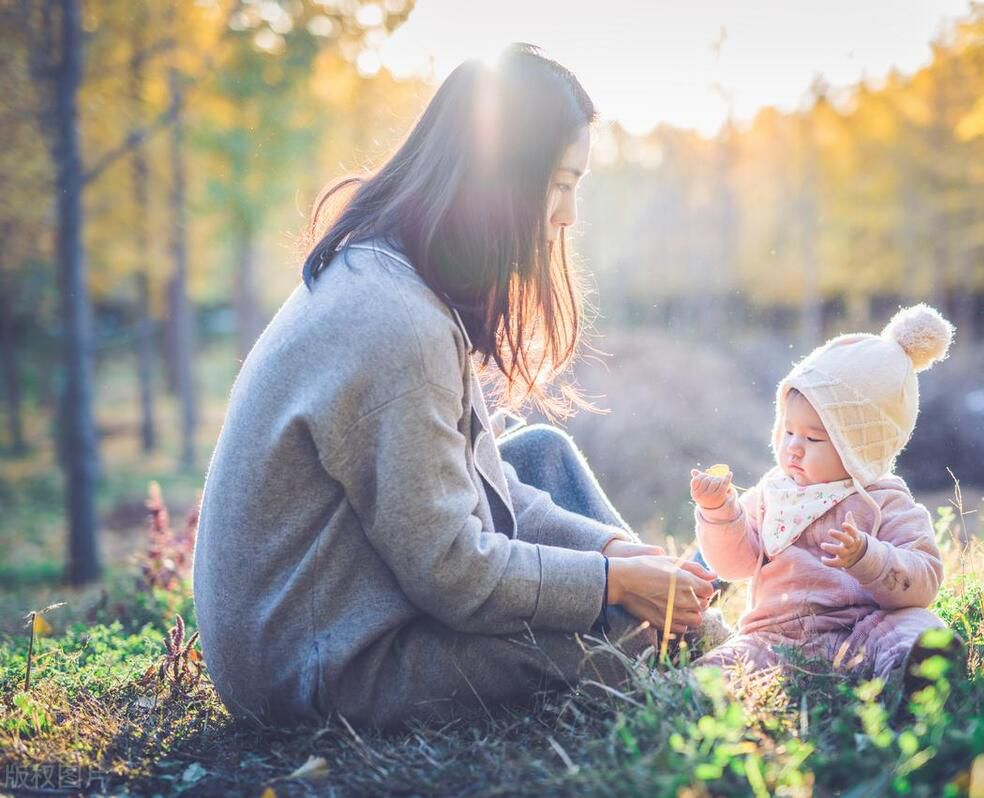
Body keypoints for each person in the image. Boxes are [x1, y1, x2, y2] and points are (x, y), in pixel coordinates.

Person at [192, 43, 714, 732]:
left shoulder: (395, 276)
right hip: (322, 668)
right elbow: (453, 573)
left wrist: (610, 553)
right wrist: (609, 585)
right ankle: (692, 649)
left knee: (541, 457)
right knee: (601, 645)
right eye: (559, 184)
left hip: (352, 598)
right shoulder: (394, 325)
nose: (567, 217)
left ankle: (684, 625)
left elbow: (472, 484)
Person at [689, 304, 958, 682]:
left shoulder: (883, 499)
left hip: (865, 629)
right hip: (775, 637)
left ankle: (917, 670)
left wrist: (870, 556)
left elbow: (924, 579)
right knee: (726, 666)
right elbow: (733, 566)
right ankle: (686, 687)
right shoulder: (773, 493)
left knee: (914, 625)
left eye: (813, 437)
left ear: (861, 446)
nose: (793, 448)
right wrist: (719, 512)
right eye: (788, 432)